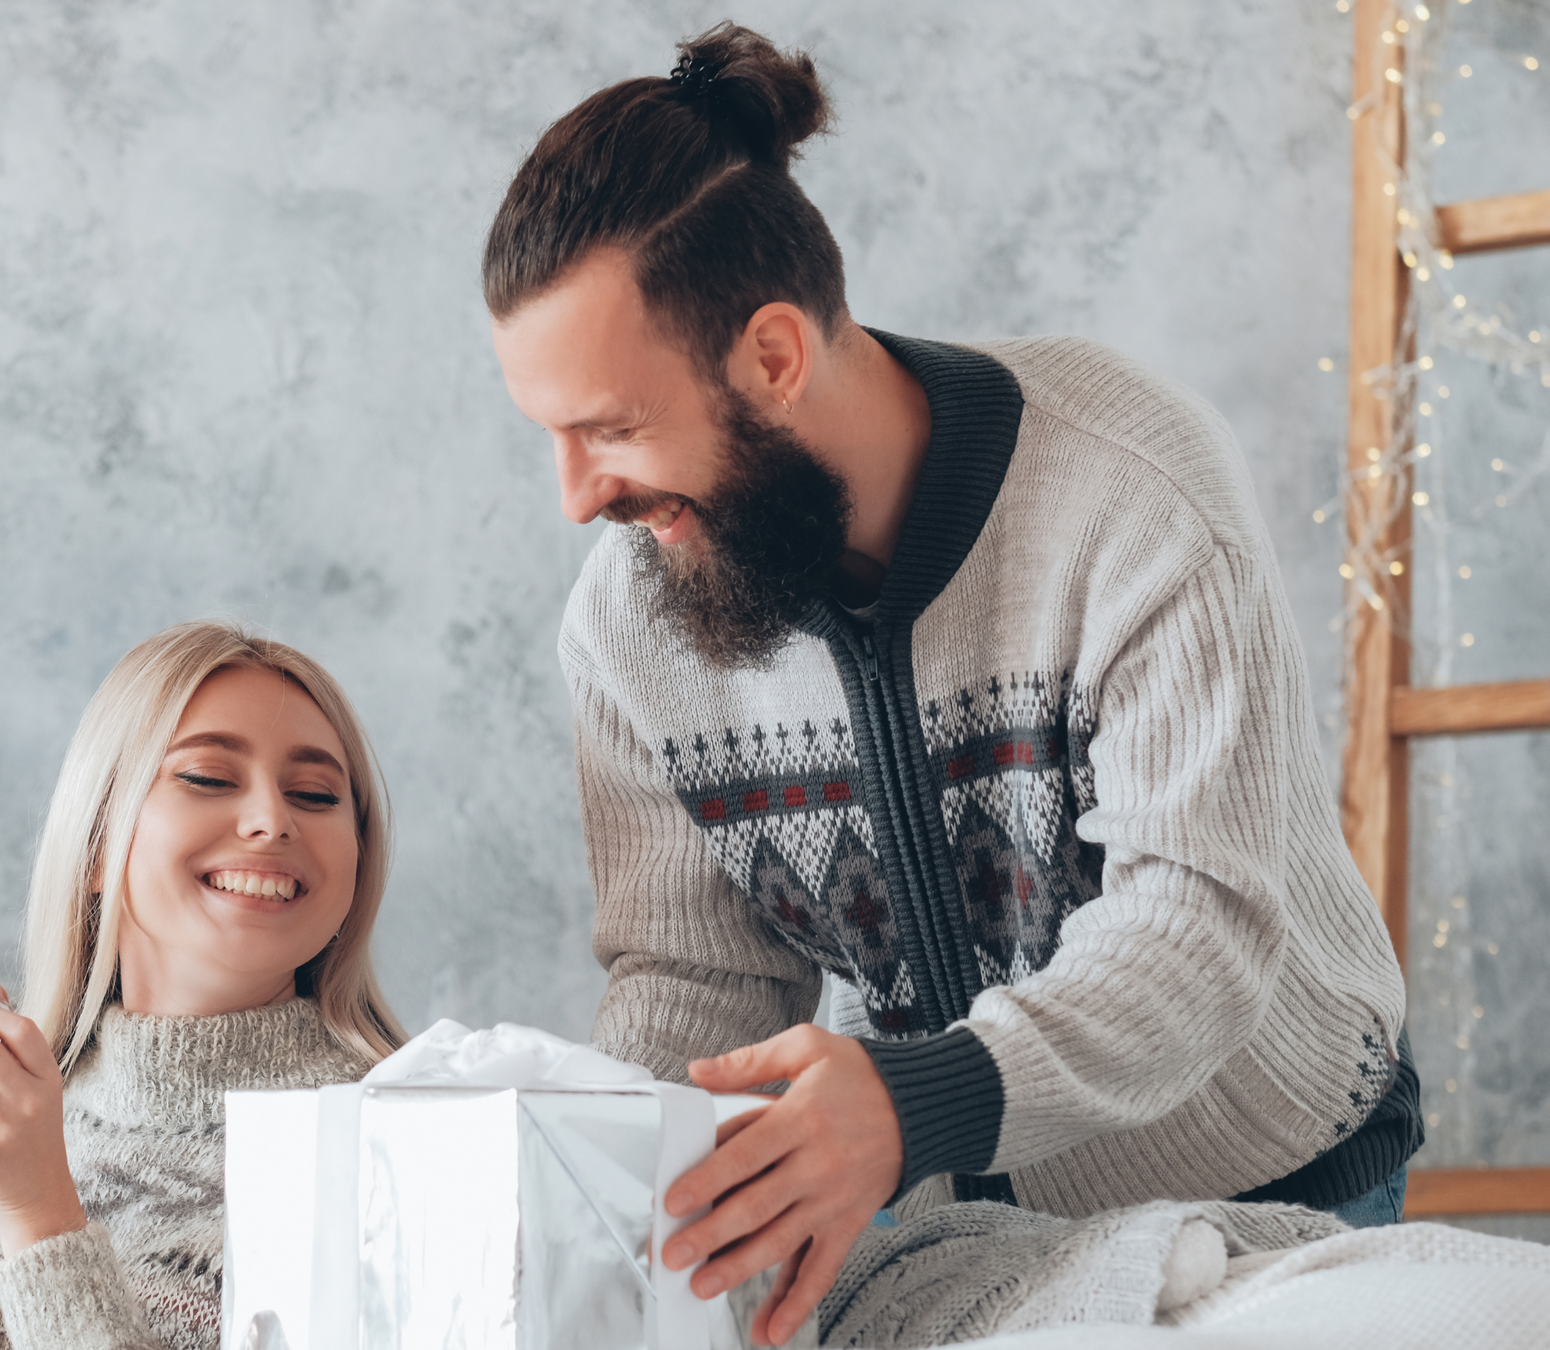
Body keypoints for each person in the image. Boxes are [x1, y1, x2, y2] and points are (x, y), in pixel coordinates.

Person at [482, 22, 1418, 1346]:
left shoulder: (1130, 491)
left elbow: (1200, 928)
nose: (580, 497)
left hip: (1265, 1172)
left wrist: (922, 1094)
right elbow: (695, 973)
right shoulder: (633, 614)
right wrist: (604, 1197)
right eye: (553, 437)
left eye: (612, 429)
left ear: (773, 358)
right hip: (947, 1225)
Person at [0, 621, 403, 1350]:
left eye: (314, 793)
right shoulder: (4, 1127)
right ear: (93, 843)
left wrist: (40, 1216)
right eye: (208, 777)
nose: (272, 820)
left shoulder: (398, 1143)